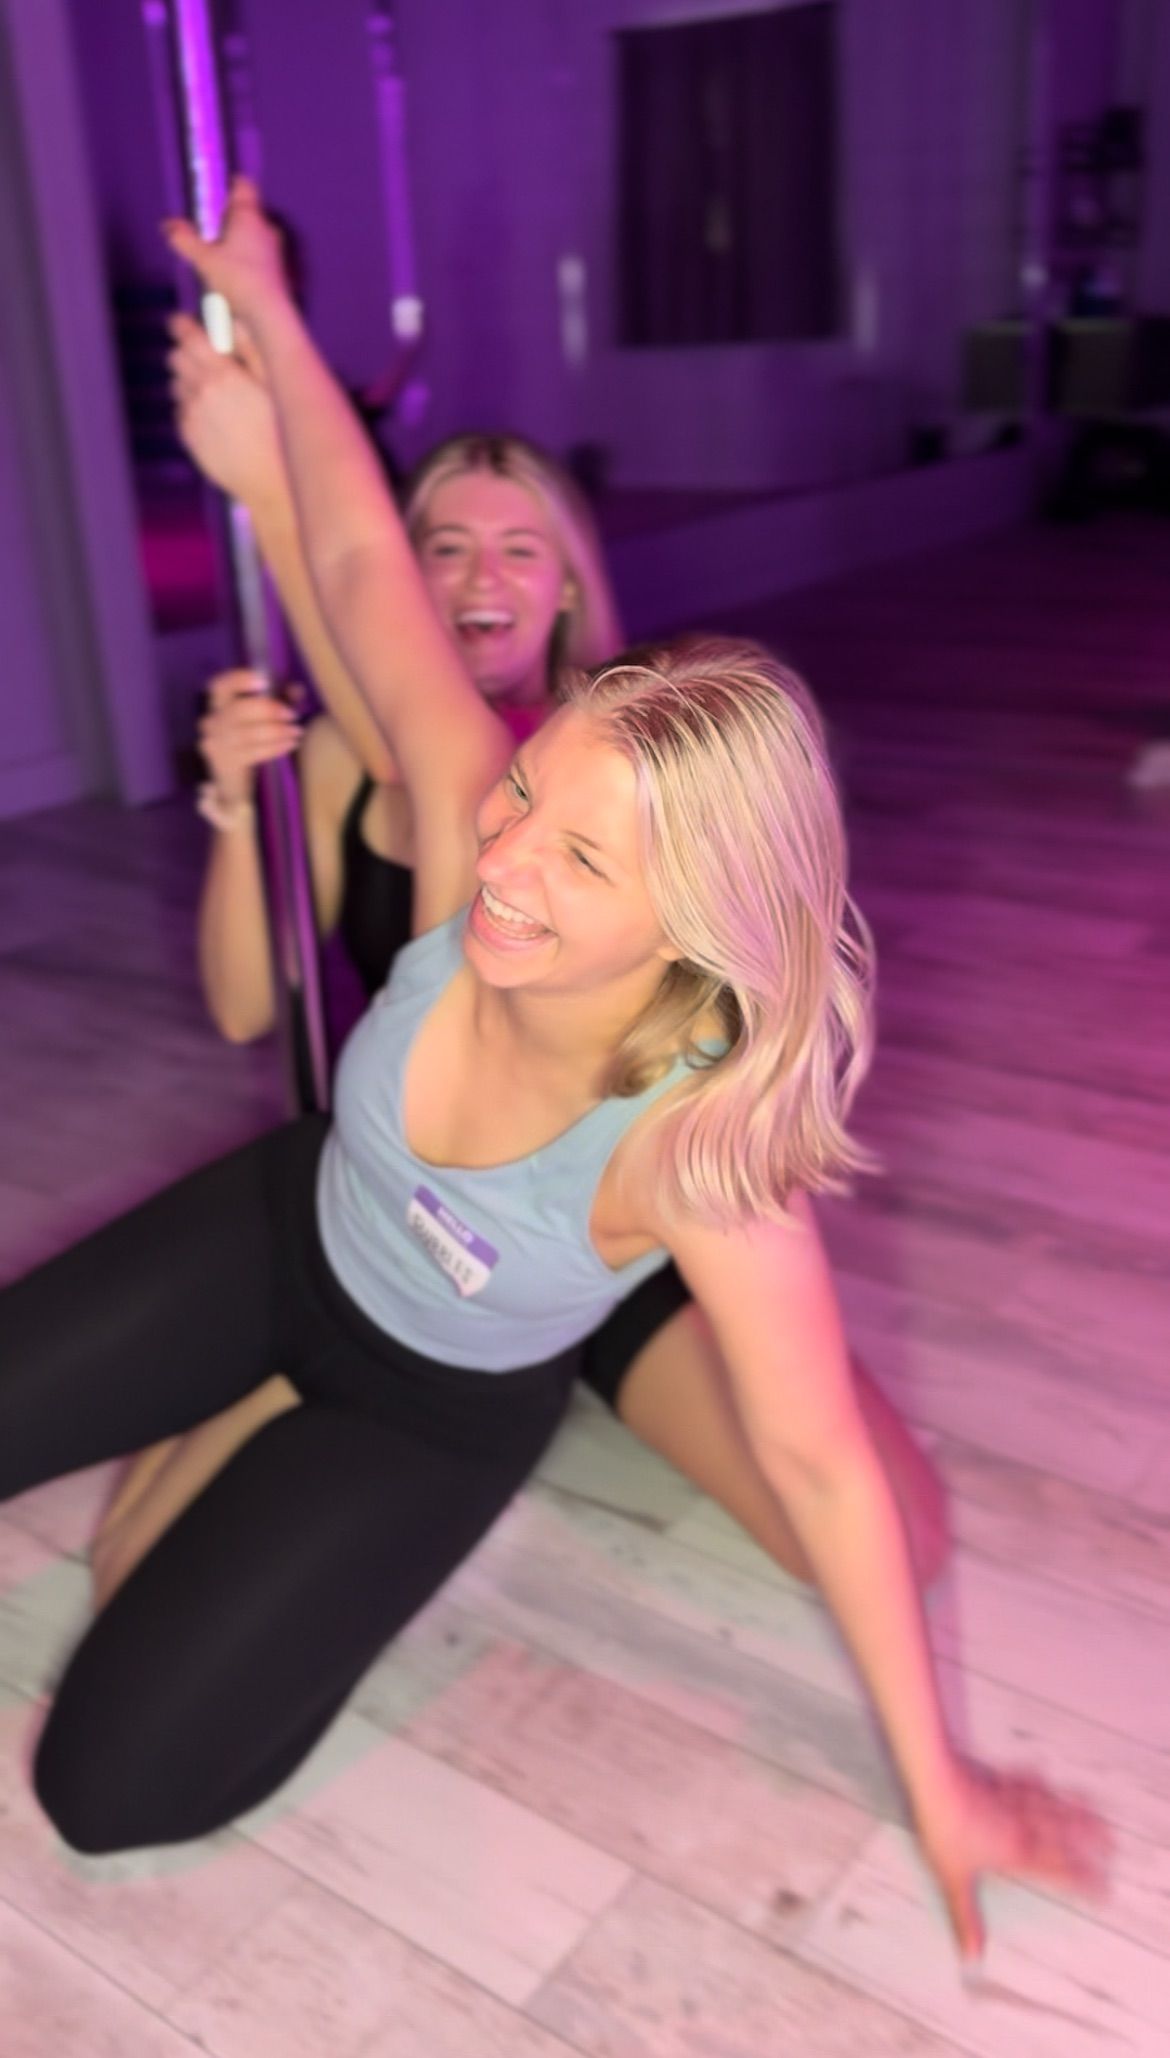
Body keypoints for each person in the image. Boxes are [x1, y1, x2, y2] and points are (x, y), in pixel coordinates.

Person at [0, 180, 1107, 1961]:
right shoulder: (466, 826)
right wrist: (268, 308)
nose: (506, 861)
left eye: (579, 858)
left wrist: (944, 1777)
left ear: (697, 930)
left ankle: (282, 1462)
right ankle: (239, 1405)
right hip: (284, 1231)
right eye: (529, 795)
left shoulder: (693, 1145)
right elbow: (363, 565)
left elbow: (819, 1462)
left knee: (106, 1791)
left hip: (426, 1403)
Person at [92, 310, 949, 1616]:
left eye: (518, 545)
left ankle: (564, 1374)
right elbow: (240, 1003)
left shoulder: (595, 757)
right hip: (411, 1225)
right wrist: (228, 809)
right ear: (401, 567)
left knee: (894, 1529)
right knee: (133, 1563)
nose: (475, 577)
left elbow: (419, 745)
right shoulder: (344, 750)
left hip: (613, 1233)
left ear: (566, 582)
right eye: (439, 545)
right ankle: (368, 1373)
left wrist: (273, 490)